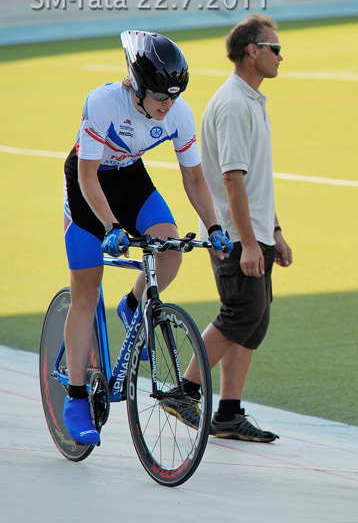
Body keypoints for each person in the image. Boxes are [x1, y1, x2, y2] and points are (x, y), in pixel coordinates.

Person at [62, 30, 231, 446]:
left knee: (171, 251)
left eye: (174, 95)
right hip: (90, 189)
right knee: (86, 291)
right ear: (137, 86)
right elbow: (86, 176)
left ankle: (134, 304)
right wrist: (110, 227)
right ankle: (76, 397)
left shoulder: (179, 113)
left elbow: (194, 177)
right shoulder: (103, 103)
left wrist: (213, 227)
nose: (167, 104)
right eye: (159, 95)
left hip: (131, 180)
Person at [166, 14, 292, 443]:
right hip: (238, 239)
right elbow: (232, 180)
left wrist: (273, 231)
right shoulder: (235, 103)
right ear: (252, 51)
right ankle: (185, 390)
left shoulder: (252, 99)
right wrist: (251, 244)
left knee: (253, 323)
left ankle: (228, 413)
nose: (280, 56)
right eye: (275, 48)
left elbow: (256, 179)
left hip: (255, 234)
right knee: (240, 315)